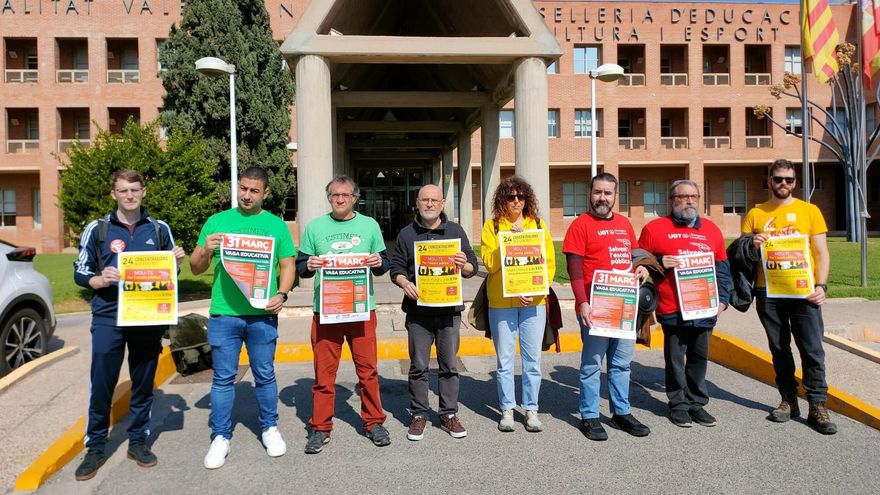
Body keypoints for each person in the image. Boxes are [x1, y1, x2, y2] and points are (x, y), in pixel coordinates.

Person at [72, 169, 185, 480]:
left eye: (135, 189)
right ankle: (95, 446)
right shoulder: (98, 229)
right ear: (114, 194)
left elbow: (170, 277)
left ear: (144, 192)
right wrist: (98, 279)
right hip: (109, 316)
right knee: (103, 383)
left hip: (146, 317)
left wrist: (175, 262)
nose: (130, 195)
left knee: (143, 381)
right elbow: (80, 271)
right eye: (123, 190)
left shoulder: (160, 229)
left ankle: (137, 441)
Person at [190, 166, 296, 469]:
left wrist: (283, 294)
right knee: (223, 378)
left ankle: (269, 428)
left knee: (264, 374)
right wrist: (205, 249)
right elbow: (196, 268)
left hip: (262, 314)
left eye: (253, 190)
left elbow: (287, 265)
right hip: (225, 314)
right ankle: (220, 437)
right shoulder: (217, 222)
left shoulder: (275, 225)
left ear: (265, 194)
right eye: (242, 188)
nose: (246, 195)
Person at [297, 176, 392, 453]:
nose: (339, 199)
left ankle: (374, 422)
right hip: (326, 312)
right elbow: (301, 266)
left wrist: (378, 262)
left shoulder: (369, 225)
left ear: (355, 198)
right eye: (334, 195)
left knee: (368, 371)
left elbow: (383, 263)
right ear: (329, 198)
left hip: (361, 310)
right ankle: (320, 427)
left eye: (345, 195)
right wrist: (310, 264)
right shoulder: (315, 227)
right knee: (324, 374)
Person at [741, 159, 836, 434]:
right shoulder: (756, 214)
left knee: (812, 349)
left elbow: (821, 252)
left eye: (789, 180)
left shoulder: (810, 211)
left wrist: (822, 285)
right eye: (779, 179)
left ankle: (817, 404)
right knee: (779, 349)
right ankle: (788, 400)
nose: (784, 183)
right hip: (768, 291)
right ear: (769, 181)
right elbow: (742, 255)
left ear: (795, 183)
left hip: (804, 291)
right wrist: (752, 243)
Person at [562, 172, 651, 441]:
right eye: (598, 192)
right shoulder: (580, 225)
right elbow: (574, 271)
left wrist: (642, 268)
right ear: (590, 193)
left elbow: (634, 256)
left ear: (616, 196)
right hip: (596, 308)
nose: (603, 197)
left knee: (621, 364)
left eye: (608, 193)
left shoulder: (624, 224)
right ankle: (589, 415)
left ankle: (621, 412)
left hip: (624, 306)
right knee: (591, 365)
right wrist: (582, 303)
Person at [638, 180, 731, 428]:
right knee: (676, 358)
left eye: (694, 196)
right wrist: (658, 261)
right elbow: (637, 261)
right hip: (672, 307)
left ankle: (696, 403)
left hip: (704, 306)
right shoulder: (655, 228)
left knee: (699, 357)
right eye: (683, 196)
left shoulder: (711, 230)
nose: (689, 201)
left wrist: (723, 300)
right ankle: (678, 404)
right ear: (672, 200)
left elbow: (722, 269)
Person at [390, 184, 479, 441]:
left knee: (449, 364)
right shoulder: (407, 234)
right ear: (417, 203)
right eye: (424, 200)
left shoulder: (455, 231)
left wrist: (465, 266)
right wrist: (403, 282)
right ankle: (419, 414)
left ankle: (448, 414)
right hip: (418, 312)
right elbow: (395, 266)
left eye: (434, 200)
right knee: (418, 365)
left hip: (449, 311)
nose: (429, 204)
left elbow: (472, 266)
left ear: (442, 203)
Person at [480, 175, 556, 432]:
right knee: (504, 361)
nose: (516, 201)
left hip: (532, 302)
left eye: (520, 196)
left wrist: (534, 292)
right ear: (502, 199)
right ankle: (507, 409)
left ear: (527, 199)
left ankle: (531, 409)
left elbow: (549, 263)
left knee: (532, 360)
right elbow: (489, 265)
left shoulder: (537, 224)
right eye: (510, 196)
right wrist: (507, 243)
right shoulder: (493, 226)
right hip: (501, 302)